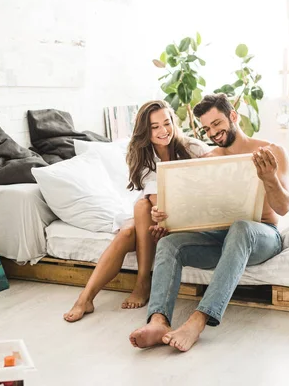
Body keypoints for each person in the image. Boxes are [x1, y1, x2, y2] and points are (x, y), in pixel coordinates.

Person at [129, 93, 289, 351]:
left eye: (217, 124)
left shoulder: (271, 152)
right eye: (207, 128)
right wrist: (165, 217)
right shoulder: (208, 160)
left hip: (261, 236)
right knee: (170, 244)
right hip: (221, 238)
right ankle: (159, 320)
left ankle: (199, 319)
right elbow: (197, 208)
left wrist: (269, 178)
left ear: (233, 116)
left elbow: (283, 208)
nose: (213, 132)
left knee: (241, 227)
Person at [63, 100, 210, 322]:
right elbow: (154, 198)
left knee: (140, 210)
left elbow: (216, 171)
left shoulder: (192, 147)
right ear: (145, 130)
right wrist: (161, 217)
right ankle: (86, 298)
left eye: (167, 123)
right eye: (155, 126)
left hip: (186, 217)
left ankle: (142, 283)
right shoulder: (142, 155)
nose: (163, 131)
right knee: (133, 222)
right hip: (154, 217)